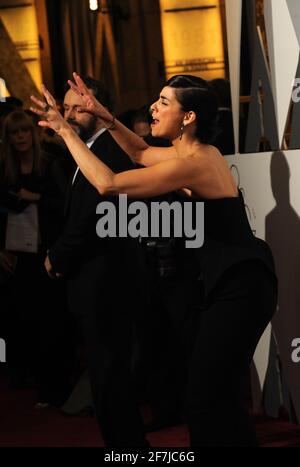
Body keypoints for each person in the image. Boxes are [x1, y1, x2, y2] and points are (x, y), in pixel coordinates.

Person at [31, 73, 277, 446]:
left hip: (240, 285)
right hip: (233, 281)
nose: (153, 107)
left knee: (206, 400)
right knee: (215, 397)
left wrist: (65, 131)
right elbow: (139, 153)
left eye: (164, 102)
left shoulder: (193, 163)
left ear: (188, 117)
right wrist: (106, 116)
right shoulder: (194, 153)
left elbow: (108, 183)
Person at [36, 77, 148, 447]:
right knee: (107, 376)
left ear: (99, 109)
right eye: (65, 108)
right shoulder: (89, 149)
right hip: (100, 282)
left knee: (111, 377)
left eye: (75, 107)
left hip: (107, 282)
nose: (67, 115)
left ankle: (128, 450)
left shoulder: (109, 151)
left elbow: (91, 218)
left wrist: (57, 256)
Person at [0, 110, 73, 406]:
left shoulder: (50, 164)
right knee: (26, 319)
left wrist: (37, 199)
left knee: (54, 320)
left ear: (32, 133)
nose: (19, 138)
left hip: (49, 250)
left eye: (24, 132)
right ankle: (40, 384)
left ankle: (59, 386)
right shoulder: (4, 168)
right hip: (19, 254)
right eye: (14, 133)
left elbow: (66, 206)